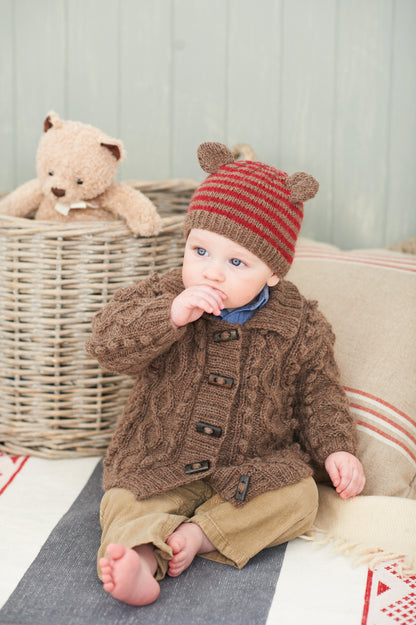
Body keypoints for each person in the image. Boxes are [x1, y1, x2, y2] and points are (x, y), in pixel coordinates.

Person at [86, 142, 365, 606]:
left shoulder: (300, 325)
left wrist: (337, 448)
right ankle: (140, 557)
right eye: (200, 251)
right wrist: (170, 316)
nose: (211, 273)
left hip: (247, 467)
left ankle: (200, 536)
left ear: (272, 272)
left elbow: (320, 393)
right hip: (160, 457)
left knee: (299, 499)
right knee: (124, 498)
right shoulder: (166, 294)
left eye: (236, 262)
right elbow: (106, 342)